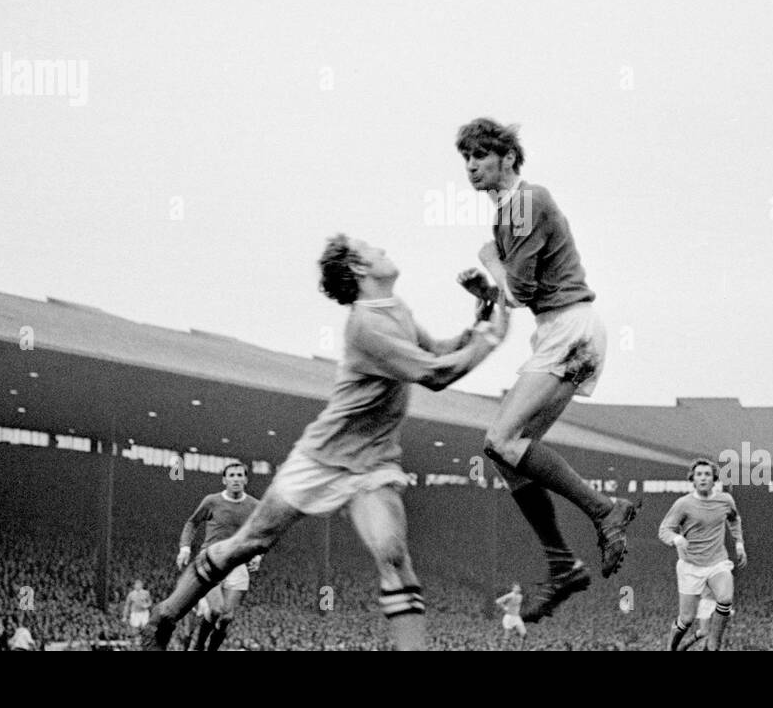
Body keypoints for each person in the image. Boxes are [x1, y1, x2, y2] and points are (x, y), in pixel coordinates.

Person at [142, 234, 509, 651]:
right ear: (358, 269)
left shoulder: (395, 308)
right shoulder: (365, 327)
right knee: (250, 543)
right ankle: (164, 617)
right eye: (371, 249)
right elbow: (438, 375)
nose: (382, 249)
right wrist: (495, 333)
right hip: (323, 456)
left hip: (373, 464)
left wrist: (485, 311)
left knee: (393, 554)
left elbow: (442, 352)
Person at [455, 118, 636, 624]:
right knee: (507, 455)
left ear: (508, 158)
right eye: (466, 158)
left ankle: (604, 511)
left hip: (569, 330)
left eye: (481, 156)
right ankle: (563, 566)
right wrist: (490, 292)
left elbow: (523, 291)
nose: (471, 166)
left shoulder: (524, 203)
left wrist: (491, 263)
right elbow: (518, 292)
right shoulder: (509, 213)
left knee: (501, 439)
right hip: (563, 332)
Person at [658, 458, 746, 651]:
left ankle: (714, 645)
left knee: (725, 599)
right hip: (691, 565)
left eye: (707, 474)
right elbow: (664, 530)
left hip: (717, 562)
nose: (703, 478)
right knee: (686, 619)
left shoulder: (725, 500)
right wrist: (676, 539)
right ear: (693, 479)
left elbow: (734, 519)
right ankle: (670, 647)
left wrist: (739, 543)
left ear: (714, 478)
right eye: (699, 474)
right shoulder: (683, 504)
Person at [174, 463, 262, 651]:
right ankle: (198, 646)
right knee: (215, 610)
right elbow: (192, 522)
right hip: (210, 561)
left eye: (240, 475)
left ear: (246, 479)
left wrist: (258, 555)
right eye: (232, 475)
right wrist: (185, 548)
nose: (236, 479)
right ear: (224, 480)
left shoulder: (254, 505)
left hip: (237, 563)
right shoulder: (212, 501)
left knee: (227, 617)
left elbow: (262, 532)